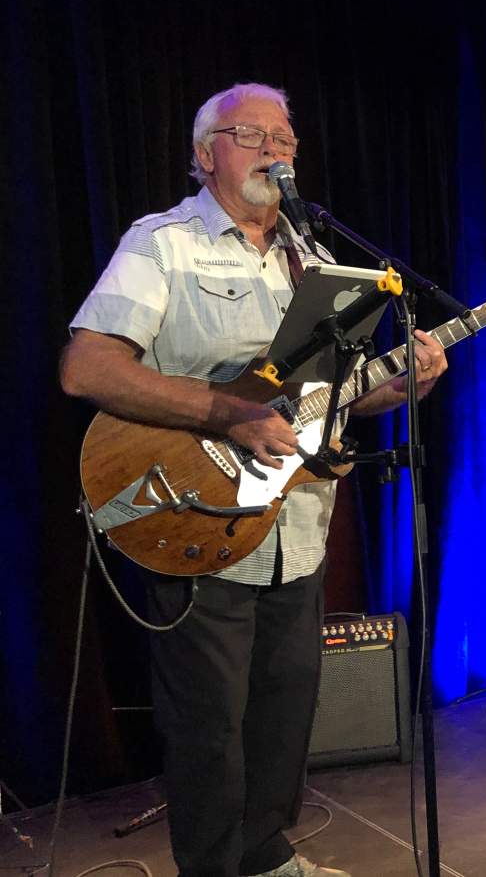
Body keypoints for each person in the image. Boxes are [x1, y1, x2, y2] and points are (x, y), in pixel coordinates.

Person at [60, 83, 448, 877]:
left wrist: (405, 381)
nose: (276, 149)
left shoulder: (322, 264)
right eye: (253, 135)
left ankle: (268, 858)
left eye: (287, 138)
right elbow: (87, 368)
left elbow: (331, 401)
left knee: (284, 712)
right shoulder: (162, 243)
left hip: (294, 529)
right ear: (206, 157)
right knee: (208, 727)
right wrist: (225, 415)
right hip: (196, 517)